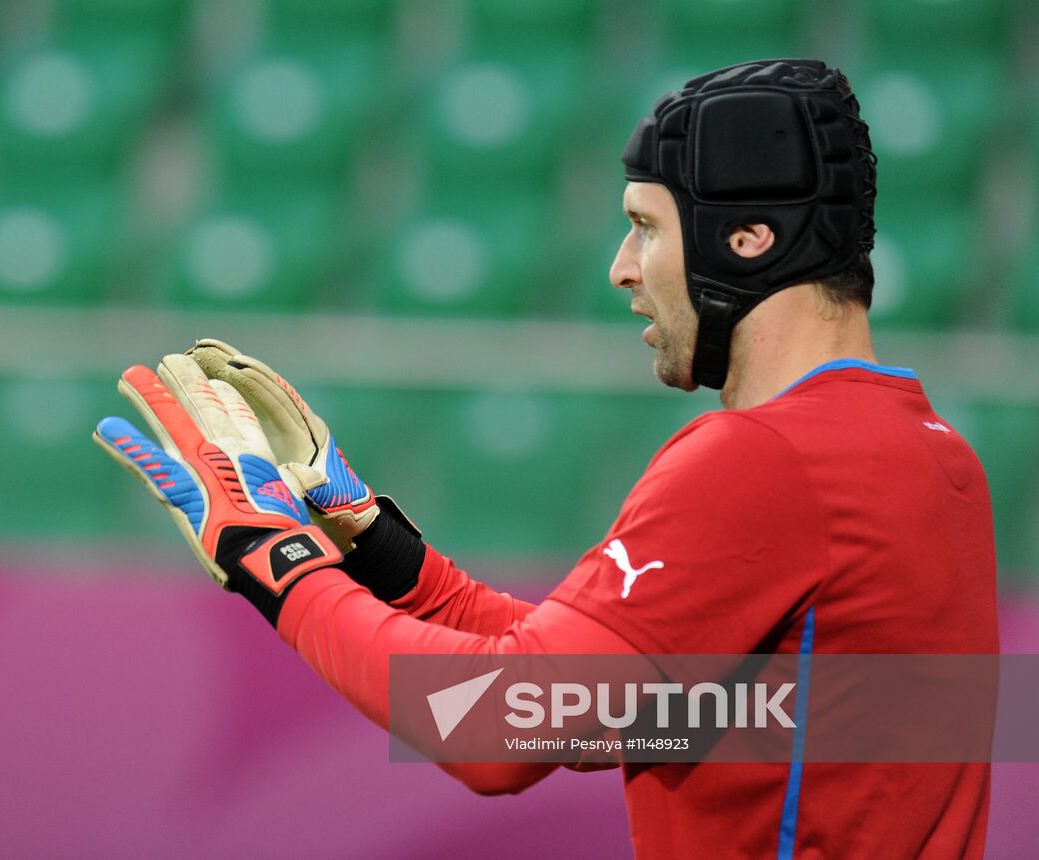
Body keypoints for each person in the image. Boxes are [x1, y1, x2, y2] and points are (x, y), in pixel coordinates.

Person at [96, 59, 998, 858]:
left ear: (748, 238)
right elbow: (609, 695)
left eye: (646, 227)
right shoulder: (934, 454)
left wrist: (273, 560)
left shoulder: (765, 461)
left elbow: (494, 730)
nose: (621, 267)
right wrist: (374, 547)